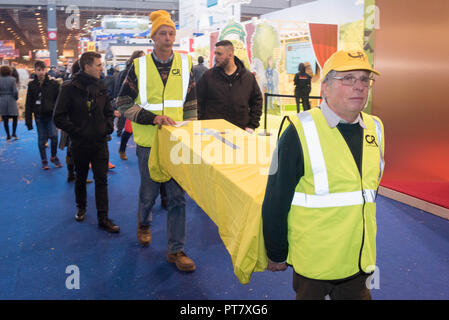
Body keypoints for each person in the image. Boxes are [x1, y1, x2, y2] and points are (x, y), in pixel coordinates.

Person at [262, 50, 384, 300]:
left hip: (358, 259)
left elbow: (368, 192)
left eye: (364, 79)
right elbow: (276, 199)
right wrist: (276, 251)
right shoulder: (298, 130)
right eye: (348, 79)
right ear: (325, 87)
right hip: (314, 264)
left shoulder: (376, 128)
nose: (359, 87)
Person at [116, 10, 197, 271]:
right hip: (148, 143)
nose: (168, 37)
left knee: (177, 198)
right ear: (153, 38)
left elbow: (192, 103)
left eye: (171, 32)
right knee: (149, 193)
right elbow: (123, 103)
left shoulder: (186, 65)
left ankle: (177, 250)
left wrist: (191, 133)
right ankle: (144, 222)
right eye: (163, 33)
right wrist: (152, 118)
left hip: (177, 144)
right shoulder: (138, 66)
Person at [54, 51, 119, 233]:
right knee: (80, 177)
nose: (101, 68)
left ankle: (103, 218)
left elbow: (108, 110)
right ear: (87, 67)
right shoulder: (69, 88)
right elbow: (58, 117)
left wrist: (107, 127)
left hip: (100, 142)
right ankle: (81, 207)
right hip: (80, 143)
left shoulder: (101, 86)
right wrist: (77, 132)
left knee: (102, 179)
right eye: (98, 65)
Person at [197, 40, 262, 133]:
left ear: (230, 55)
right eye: (215, 53)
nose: (216, 57)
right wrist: (202, 124)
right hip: (213, 133)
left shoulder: (248, 77)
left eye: (219, 54)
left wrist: (252, 125)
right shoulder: (208, 76)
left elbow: (257, 101)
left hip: (240, 132)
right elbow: (198, 101)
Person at [25, 61, 62, 170]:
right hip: (39, 117)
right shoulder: (31, 85)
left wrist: (59, 116)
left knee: (54, 137)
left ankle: (53, 156)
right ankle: (44, 160)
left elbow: (58, 101)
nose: (41, 72)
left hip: (51, 116)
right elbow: (28, 103)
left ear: (46, 70)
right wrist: (28, 120)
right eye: (38, 70)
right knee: (41, 139)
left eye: (43, 69)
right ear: (35, 71)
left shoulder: (53, 84)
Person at [0, 66, 19, 142]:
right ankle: (14, 133)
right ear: (9, 72)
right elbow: (15, 91)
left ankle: (8, 136)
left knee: (5, 119)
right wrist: (16, 98)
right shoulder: (12, 80)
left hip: (2, 100)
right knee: (15, 117)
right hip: (11, 99)